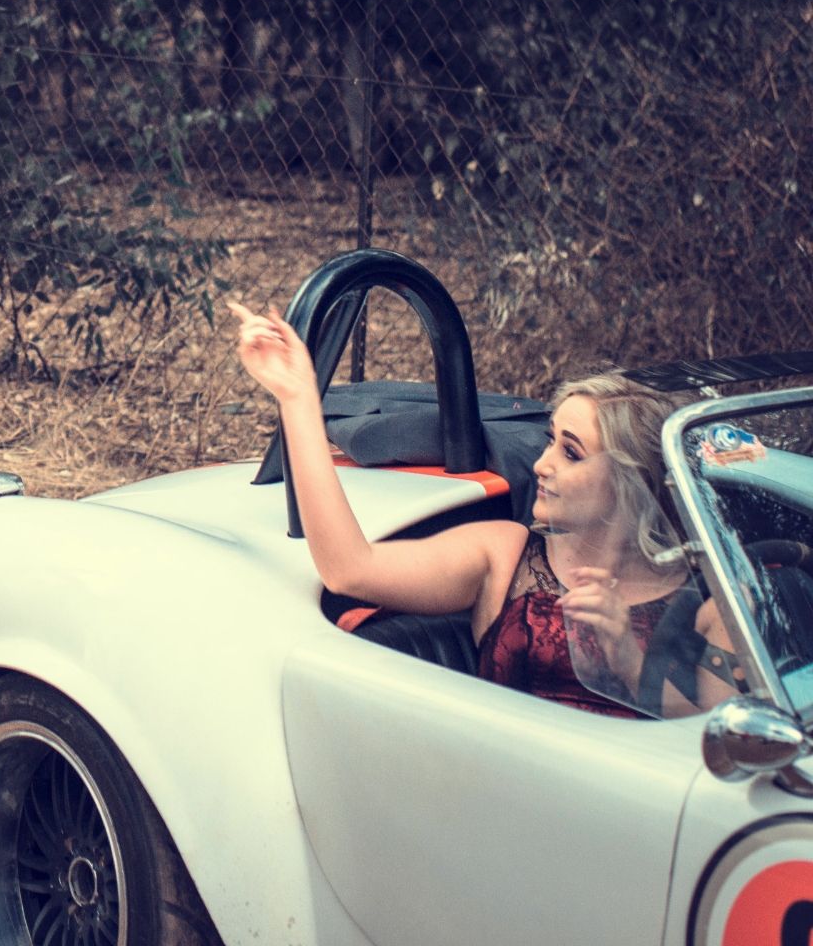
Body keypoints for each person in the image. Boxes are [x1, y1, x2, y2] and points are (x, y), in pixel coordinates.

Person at [229, 302, 741, 719]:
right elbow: (349, 569)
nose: (541, 464)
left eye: (570, 452)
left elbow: (723, 744)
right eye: (550, 441)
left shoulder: (713, 598)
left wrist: (627, 661)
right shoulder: (504, 553)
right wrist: (298, 398)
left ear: (632, 479)